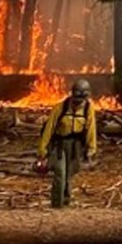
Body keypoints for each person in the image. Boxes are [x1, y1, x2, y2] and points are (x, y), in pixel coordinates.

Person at [35, 78, 98, 208]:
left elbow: (91, 128)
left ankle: (66, 201)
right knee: (60, 173)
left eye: (81, 100)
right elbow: (49, 129)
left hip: (75, 146)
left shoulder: (88, 108)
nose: (78, 103)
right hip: (59, 145)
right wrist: (42, 150)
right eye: (76, 100)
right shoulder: (61, 107)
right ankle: (57, 204)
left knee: (69, 173)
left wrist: (91, 149)